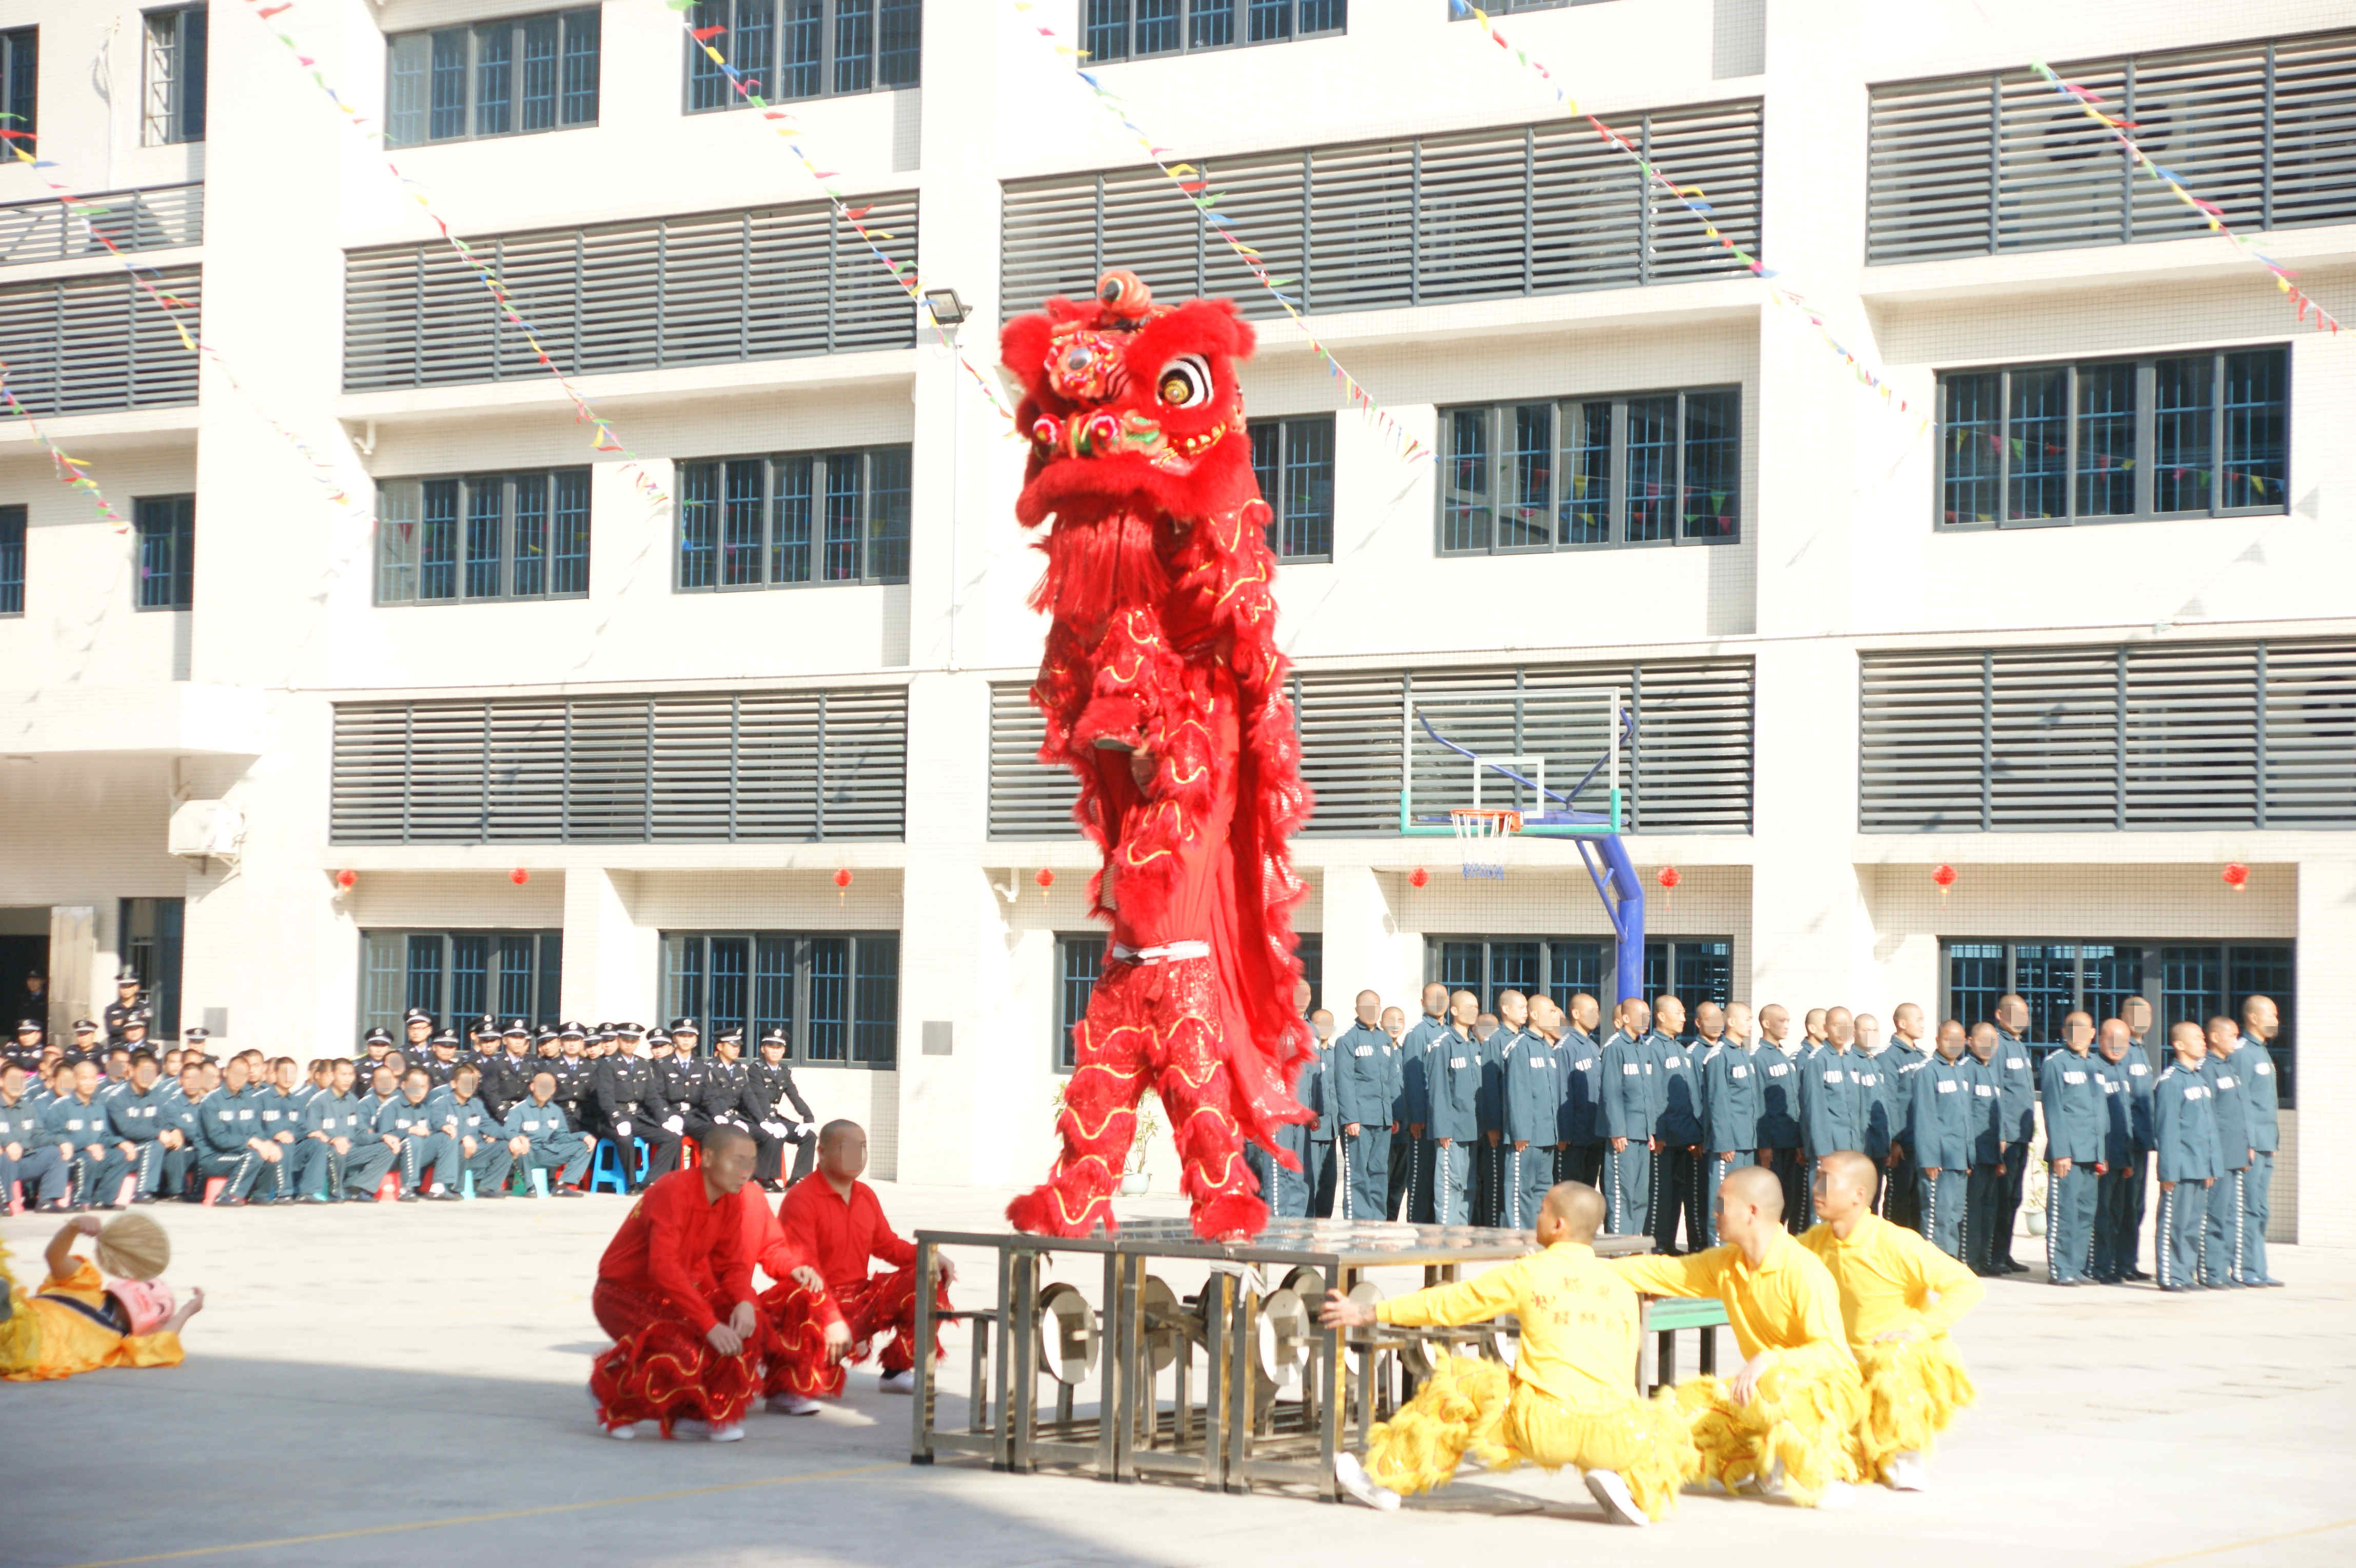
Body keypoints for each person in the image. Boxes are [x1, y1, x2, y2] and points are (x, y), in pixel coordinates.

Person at [1320, 1182, 1697, 1525]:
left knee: (1463, 1383)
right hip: (1618, 1434)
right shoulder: (1623, 1281)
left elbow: (1452, 1303)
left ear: (1558, 1225)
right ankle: (1626, 1483)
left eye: (1544, 1210)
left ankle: (1383, 1480)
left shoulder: (1528, 1272)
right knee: (1658, 1424)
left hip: (1545, 1425)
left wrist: (1369, 1312)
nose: (1538, 1215)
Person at [1611, 1165, 1864, 1506]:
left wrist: (1770, 1359)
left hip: (1828, 1391)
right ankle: (1760, 1460)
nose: (1713, 1213)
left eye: (1721, 1205)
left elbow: (1834, 1355)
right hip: (1763, 1388)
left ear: (1752, 1213)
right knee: (1684, 1412)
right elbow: (1658, 1270)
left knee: (1777, 1383)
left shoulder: (1804, 1271)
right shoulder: (1728, 1264)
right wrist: (1571, 1266)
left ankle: (1824, 1477)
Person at [1800, 1151, 1982, 1491]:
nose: (1816, 1188)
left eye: (1827, 1180)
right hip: (1846, 1370)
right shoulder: (1814, 1242)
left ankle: (1906, 1459)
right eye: (1816, 1178)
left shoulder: (1896, 1243)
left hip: (1891, 1366)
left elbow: (1967, 1286)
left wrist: (1916, 1332)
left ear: (1858, 1194)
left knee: (1899, 1355)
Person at [590, 1124, 763, 1440]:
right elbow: (664, 1268)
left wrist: (744, 1301)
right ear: (707, 1157)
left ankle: (694, 1413)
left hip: (675, 1294)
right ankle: (611, 1388)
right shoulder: (672, 1190)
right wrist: (708, 1324)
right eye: (737, 1161)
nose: (745, 1171)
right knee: (684, 1349)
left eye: (750, 1162)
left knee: (749, 1326)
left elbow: (733, 1265)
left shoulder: (730, 1200)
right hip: (622, 1293)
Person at [764, 1121, 950, 1401]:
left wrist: (930, 1256)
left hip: (860, 1298)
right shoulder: (801, 1199)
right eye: (847, 1149)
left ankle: (897, 1371)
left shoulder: (865, 1195)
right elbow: (806, 1271)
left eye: (862, 1148)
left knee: (925, 1280)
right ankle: (790, 1373)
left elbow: (887, 1245)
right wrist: (831, 1318)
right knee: (811, 1381)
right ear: (822, 1152)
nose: (857, 1156)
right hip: (814, 1305)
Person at [2, 1214, 204, 1382]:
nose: (149, 1297)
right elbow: (55, 1257)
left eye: (161, 1308)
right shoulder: (85, 1282)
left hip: (26, 1344)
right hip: (20, 1314)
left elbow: (162, 1344)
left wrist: (187, 1311)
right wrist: (73, 1228)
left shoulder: (120, 1348)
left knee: (11, 1316)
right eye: (150, 1286)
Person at [2151, 1023, 2223, 1291]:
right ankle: (2171, 1275)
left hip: (2200, 1167)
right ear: (2179, 1045)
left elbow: (2209, 1128)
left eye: (2204, 1038)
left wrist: (2212, 1165)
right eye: (2197, 1038)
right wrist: (2168, 1172)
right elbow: (2167, 1129)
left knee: (2193, 1225)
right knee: (2175, 1225)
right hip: (2180, 1168)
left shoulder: (2199, 1080)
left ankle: (2186, 1274)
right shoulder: (2171, 1081)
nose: (2203, 1042)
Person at [2038, 1011, 2106, 1286]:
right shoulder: (2057, 1063)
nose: (2079, 1035)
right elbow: (2054, 1110)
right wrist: (2061, 1152)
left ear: (2093, 1033)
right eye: (2072, 1030)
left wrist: (2101, 1154)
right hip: (2069, 1155)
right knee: (2064, 1213)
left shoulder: (2097, 1065)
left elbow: (2099, 1112)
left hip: (2091, 1154)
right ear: (2064, 1033)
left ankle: (2078, 1268)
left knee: (2085, 1213)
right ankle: (2061, 1269)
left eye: (2085, 1030)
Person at [2200, 1014, 2260, 1289]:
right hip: (2217, 1156)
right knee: (2215, 1215)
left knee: (2230, 1216)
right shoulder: (2206, 1069)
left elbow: (2238, 1113)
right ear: (2214, 1037)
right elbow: (2208, 1117)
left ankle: (2224, 1270)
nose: (2237, 1041)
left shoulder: (2230, 1068)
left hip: (2234, 1155)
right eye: (2232, 1035)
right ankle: (2212, 1272)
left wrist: (2246, 1147)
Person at [1908, 1023, 1976, 1260]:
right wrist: (1929, 1158)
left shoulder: (1960, 1070)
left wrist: (1969, 1156)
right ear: (1937, 1040)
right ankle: (1933, 1267)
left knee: (1954, 1215)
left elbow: (1966, 1118)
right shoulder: (1927, 1071)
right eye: (1949, 1039)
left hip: (1958, 1158)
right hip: (1939, 1160)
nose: (1954, 1045)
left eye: (1959, 1040)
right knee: (1937, 1215)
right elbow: (1924, 1118)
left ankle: (1949, 1265)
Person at [1699, 1003, 1762, 1249]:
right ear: (1732, 1022)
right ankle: (1716, 1248)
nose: (1750, 1024)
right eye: (1747, 1019)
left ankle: (1738, 1246)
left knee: (1744, 1198)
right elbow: (1718, 1102)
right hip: (1730, 1144)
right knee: (1723, 1199)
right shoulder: (1719, 1055)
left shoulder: (1743, 1054)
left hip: (1747, 1141)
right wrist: (1724, 1142)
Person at [2091, 1020, 2149, 1284]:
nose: (2117, 1046)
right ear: (2100, 1040)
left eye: (2123, 1042)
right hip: (2103, 1156)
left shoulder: (2120, 1071)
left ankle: (2121, 1264)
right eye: (2112, 1039)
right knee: (2101, 1214)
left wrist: (2127, 1156)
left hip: (2123, 1154)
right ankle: (2100, 1267)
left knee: (2123, 1212)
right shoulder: (2094, 1069)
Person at [1330, 991, 1395, 1222]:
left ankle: (1377, 1220)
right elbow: (1344, 1081)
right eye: (1365, 1006)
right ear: (1357, 1010)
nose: (1371, 1011)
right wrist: (1350, 1118)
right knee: (1358, 1173)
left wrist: (1394, 1114)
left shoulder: (1386, 1041)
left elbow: (1392, 1080)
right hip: (1359, 1120)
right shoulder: (1347, 1041)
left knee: (1379, 1171)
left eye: (1375, 1006)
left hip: (1383, 1118)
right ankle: (1359, 1222)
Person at [1647, 996, 1704, 1256]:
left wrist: (1695, 1134)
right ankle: (1657, 1245)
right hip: (1665, 1139)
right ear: (1661, 1016)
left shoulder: (1681, 1050)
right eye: (1679, 1013)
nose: (1684, 1018)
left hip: (1685, 1138)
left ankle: (1670, 1243)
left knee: (1680, 1195)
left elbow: (1693, 1096)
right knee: (1662, 1196)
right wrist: (1657, 1133)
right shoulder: (1651, 1048)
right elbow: (1653, 1095)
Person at [594, 1025, 682, 1193]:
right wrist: (617, 1118)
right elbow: (605, 1098)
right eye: (626, 1040)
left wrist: (664, 1120)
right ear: (619, 1040)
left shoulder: (642, 1064)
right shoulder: (608, 1064)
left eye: (633, 1041)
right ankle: (632, 1183)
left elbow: (652, 1097)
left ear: (638, 1042)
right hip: (613, 1118)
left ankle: (650, 1182)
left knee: (672, 1138)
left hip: (637, 1117)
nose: (629, 1044)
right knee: (625, 1139)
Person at [2234, 997, 2283, 1288]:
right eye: (2271, 1015)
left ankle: (2259, 1268)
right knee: (2249, 1209)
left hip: (2266, 1144)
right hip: (2251, 1146)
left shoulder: (2262, 1052)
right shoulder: (2242, 1053)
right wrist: (2247, 1141)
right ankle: (2246, 1269)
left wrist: (2271, 1141)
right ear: (2253, 1017)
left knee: (2262, 1209)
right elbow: (2239, 1103)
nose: (2276, 1020)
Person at [1500, 995, 1561, 1230]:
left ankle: (1537, 1237)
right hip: (1526, 1136)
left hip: (1547, 1135)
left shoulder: (1546, 1048)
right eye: (1551, 1011)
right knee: (1520, 1191)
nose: (1555, 1016)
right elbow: (1518, 1093)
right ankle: (1518, 1240)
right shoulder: (1519, 1046)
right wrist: (1520, 1132)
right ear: (1535, 1015)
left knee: (1543, 1190)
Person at [296, 1059, 394, 1203]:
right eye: (343, 1075)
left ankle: (358, 1188)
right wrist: (333, 1140)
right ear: (332, 1075)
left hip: (352, 1151)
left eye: (351, 1075)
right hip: (328, 1154)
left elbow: (360, 1135)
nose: (347, 1079)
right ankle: (335, 1191)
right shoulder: (319, 1101)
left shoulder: (353, 1100)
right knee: (335, 1149)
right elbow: (313, 1135)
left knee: (387, 1149)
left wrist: (383, 1137)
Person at [1799, 1008, 1861, 1232]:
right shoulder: (1817, 1060)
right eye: (1836, 1025)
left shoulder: (1854, 1060)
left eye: (1847, 1025)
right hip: (1828, 1149)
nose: (1842, 1030)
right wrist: (1822, 1148)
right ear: (1826, 1028)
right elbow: (1813, 1107)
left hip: (1850, 1147)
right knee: (1823, 1203)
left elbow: (1859, 1108)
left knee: (1845, 1203)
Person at [1988, 995, 2038, 1273]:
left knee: (2013, 1199)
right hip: (2006, 1138)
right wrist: (2001, 1134)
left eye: (2025, 1013)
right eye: (2015, 1013)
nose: (2022, 1018)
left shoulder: (2019, 1047)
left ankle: (2004, 1252)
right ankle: (1992, 1255)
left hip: (2021, 1137)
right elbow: (1995, 1093)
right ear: (1999, 1014)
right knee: (1999, 1198)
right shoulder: (1997, 1045)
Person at [1425, 991, 1482, 1225]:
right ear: (1454, 1011)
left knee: (1468, 1186)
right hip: (1453, 1130)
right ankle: (1447, 1236)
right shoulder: (1443, 1044)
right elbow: (1437, 1089)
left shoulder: (1474, 1044)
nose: (1474, 1011)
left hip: (1473, 1128)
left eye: (1477, 1007)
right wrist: (1442, 1129)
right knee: (1450, 1185)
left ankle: (1461, 1234)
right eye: (1468, 1007)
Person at [1600, 998, 1656, 1236]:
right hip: (1624, 1135)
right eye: (1641, 1015)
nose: (1647, 1020)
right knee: (1621, 1193)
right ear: (1625, 1019)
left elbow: (1648, 1093)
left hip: (1642, 1134)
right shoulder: (1615, 1047)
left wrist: (1650, 1130)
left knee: (1640, 1194)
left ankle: (1633, 1243)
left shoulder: (1644, 1047)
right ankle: (1619, 1247)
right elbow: (1611, 1092)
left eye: (1648, 1015)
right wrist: (1617, 1131)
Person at [46, 1060, 128, 1210]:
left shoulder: (99, 1107)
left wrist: (120, 1143)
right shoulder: (60, 1106)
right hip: (69, 1160)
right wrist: (87, 1145)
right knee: (86, 1158)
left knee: (120, 1155)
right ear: (75, 1080)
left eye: (93, 1078)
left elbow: (104, 1136)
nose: (89, 1083)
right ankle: (79, 1200)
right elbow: (50, 1136)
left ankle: (103, 1199)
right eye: (84, 1078)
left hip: (95, 1156)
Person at [1754, 1004, 1807, 1231]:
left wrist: (1798, 1142)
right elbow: (1757, 1104)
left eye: (1788, 1021)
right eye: (1781, 1021)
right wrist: (1764, 1145)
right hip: (1773, 1144)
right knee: (1771, 1201)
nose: (1786, 1026)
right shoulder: (1758, 1058)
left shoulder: (1783, 1057)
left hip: (1790, 1142)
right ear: (1766, 1024)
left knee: (1789, 1199)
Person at [1401, 983, 1450, 1222]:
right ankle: (1418, 1227)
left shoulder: (1452, 1034)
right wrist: (1417, 1118)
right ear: (1422, 1003)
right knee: (1422, 1176)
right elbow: (1413, 1080)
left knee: (1443, 1179)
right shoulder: (1418, 1035)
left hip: (1447, 1122)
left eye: (1443, 997)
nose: (1440, 1002)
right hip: (1425, 1122)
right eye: (1433, 998)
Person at [376, 1066, 462, 1202]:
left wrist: (444, 1127)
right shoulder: (391, 1107)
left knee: (446, 1136)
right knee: (414, 1139)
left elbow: (431, 1130)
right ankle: (406, 1188)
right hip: (393, 1156)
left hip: (418, 1155)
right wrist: (409, 1130)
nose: (419, 1091)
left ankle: (438, 1188)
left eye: (423, 1087)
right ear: (403, 1085)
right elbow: (383, 1137)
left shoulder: (424, 1108)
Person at [745, 1029, 818, 1189]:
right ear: (762, 1049)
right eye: (771, 1046)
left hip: (773, 1116)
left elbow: (795, 1097)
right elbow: (761, 1098)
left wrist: (808, 1119)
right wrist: (771, 1122)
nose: (775, 1050)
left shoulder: (784, 1071)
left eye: (779, 1047)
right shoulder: (755, 1070)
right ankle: (764, 1177)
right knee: (775, 1134)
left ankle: (799, 1178)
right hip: (756, 1117)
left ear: (784, 1050)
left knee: (809, 1136)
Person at [432, 1064, 515, 1199]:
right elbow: (436, 1123)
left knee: (506, 1146)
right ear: (454, 1084)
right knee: (457, 1144)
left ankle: (487, 1187)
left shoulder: (477, 1104)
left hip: (475, 1151)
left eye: (473, 1084)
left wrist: (514, 1137)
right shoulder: (441, 1103)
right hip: (450, 1155)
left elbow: (490, 1126)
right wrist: (463, 1137)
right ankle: (454, 1188)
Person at [504, 1070, 592, 1195]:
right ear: (532, 1086)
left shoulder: (556, 1110)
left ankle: (562, 1185)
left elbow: (562, 1137)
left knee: (585, 1146)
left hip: (548, 1151)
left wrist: (583, 1136)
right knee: (519, 1146)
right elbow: (508, 1132)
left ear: (554, 1090)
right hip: (527, 1153)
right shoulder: (518, 1110)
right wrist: (519, 1137)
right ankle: (530, 1187)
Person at [1, 1060, 71, 1211]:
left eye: (21, 1081)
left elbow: (38, 1136)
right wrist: (7, 1143)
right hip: (4, 1161)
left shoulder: (27, 1106)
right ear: (1, 1082)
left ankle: (47, 1201)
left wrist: (61, 1141)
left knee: (55, 1153)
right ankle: (3, 1202)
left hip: (25, 1159)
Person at [103, 1052, 171, 1205]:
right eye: (144, 1072)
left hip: (142, 1146)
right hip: (119, 1148)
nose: (148, 1077)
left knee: (172, 1144)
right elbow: (127, 1129)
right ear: (131, 1071)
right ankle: (142, 1191)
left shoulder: (155, 1096)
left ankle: (177, 1191)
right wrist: (159, 1133)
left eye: (152, 1073)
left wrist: (170, 1132)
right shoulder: (117, 1097)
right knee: (156, 1144)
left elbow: (163, 1122)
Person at [1849, 1014, 1899, 1216]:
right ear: (1854, 1033)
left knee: (1875, 1199)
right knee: (1857, 1201)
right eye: (1866, 1030)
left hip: (1878, 1147)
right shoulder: (1850, 1062)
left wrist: (1886, 1144)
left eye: (1875, 1031)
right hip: (1861, 1148)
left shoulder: (1875, 1063)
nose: (1872, 1035)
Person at [1557, 993, 1607, 1190]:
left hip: (1593, 1133)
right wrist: (1564, 1134)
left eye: (1598, 1011)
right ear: (1576, 1013)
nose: (1597, 1016)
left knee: (1588, 1190)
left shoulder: (1593, 1046)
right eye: (1592, 1011)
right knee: (1571, 1192)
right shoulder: (1566, 1048)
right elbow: (1561, 1091)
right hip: (1573, 1138)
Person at [101, 972, 144, 1047]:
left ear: (136, 987)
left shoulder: (143, 1007)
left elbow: (145, 1027)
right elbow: (111, 1030)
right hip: (117, 1049)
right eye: (123, 987)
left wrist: (123, 1022)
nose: (126, 990)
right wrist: (134, 1025)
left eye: (129, 987)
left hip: (139, 1049)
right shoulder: (111, 1009)